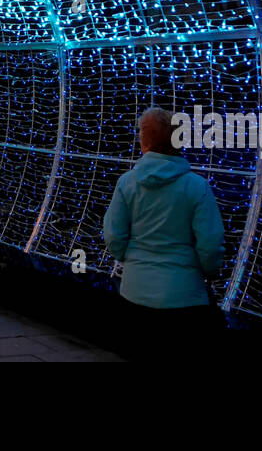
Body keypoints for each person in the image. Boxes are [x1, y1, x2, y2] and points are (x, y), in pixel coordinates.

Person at [103, 106, 225, 362]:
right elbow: (211, 245)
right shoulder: (197, 186)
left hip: (134, 291)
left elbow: (114, 236)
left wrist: (133, 261)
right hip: (184, 298)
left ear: (143, 141)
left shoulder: (127, 183)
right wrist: (208, 272)